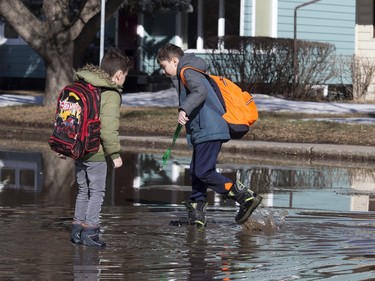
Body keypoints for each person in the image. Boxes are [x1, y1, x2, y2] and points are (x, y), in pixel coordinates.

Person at [156, 43, 262, 227]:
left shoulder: (187, 71)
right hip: (204, 130)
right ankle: (197, 214)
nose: (164, 72)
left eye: (164, 66)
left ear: (174, 60)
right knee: (197, 172)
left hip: (209, 129)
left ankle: (244, 197)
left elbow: (200, 91)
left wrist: (184, 109)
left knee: (203, 171)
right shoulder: (189, 71)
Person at [66, 47, 132, 247]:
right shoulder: (110, 93)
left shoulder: (85, 86)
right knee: (97, 192)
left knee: (83, 191)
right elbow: (108, 128)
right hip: (96, 151)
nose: (124, 80)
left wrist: (67, 145)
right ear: (119, 75)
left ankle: (77, 230)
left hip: (79, 148)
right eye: (125, 76)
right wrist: (114, 153)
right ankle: (91, 232)